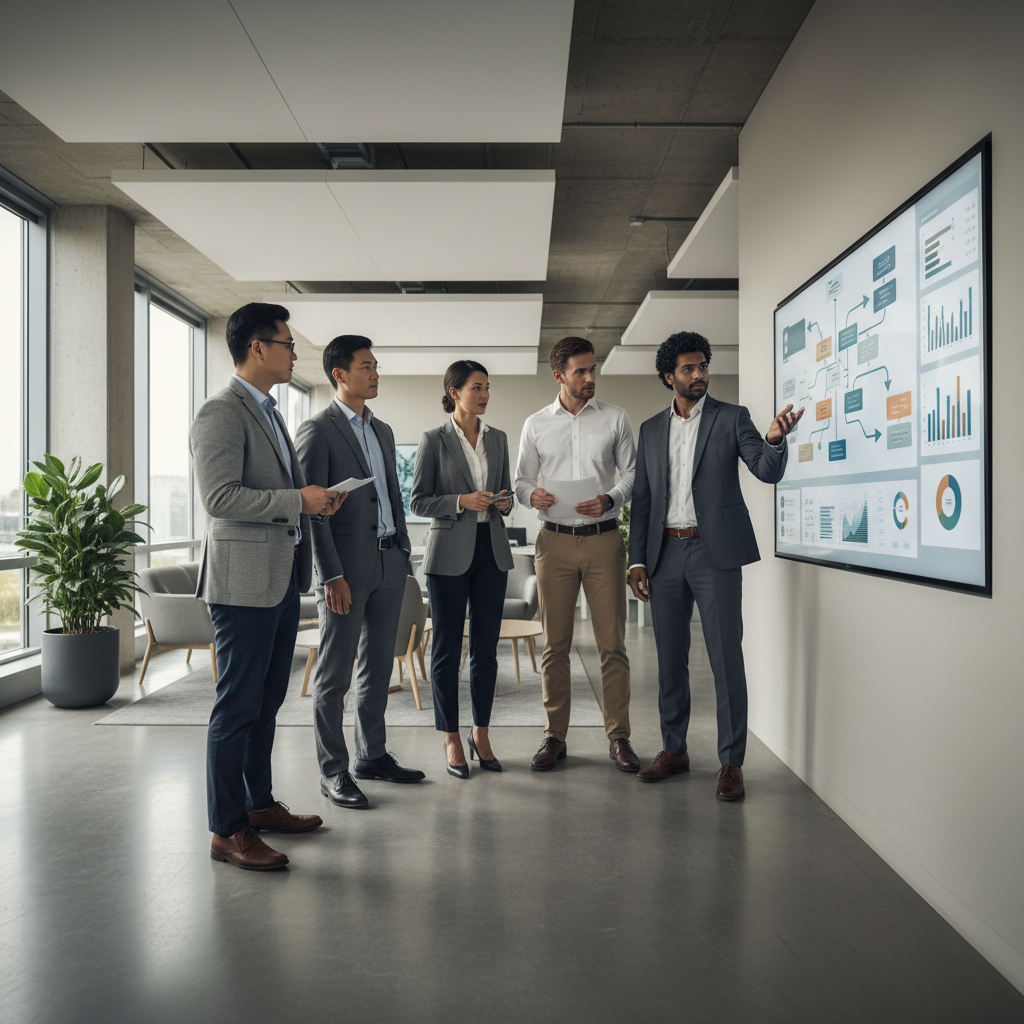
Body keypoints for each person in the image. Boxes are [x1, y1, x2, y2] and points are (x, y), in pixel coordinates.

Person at [191, 302, 345, 871]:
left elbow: (281, 493)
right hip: (241, 585)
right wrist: (296, 501)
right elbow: (219, 498)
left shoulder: (272, 414)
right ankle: (226, 830)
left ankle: (257, 807)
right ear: (258, 347)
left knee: (267, 702)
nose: (294, 353)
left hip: (279, 580)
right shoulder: (220, 412)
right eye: (286, 343)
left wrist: (316, 500)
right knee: (236, 708)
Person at [628, 332, 803, 799]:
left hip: (714, 553)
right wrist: (637, 560)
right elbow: (643, 500)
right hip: (664, 555)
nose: (700, 374)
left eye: (703, 366)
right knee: (669, 661)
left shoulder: (732, 418)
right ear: (670, 377)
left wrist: (774, 441)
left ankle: (731, 762)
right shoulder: (649, 430)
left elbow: (765, 470)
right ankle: (674, 750)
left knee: (726, 657)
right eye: (689, 368)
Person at [295, 335, 425, 810]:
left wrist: (404, 549)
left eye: (376, 365)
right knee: (334, 675)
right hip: (346, 571)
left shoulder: (383, 430)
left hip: (392, 561)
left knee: (378, 666)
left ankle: (372, 755)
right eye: (366, 365)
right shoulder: (318, 430)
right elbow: (314, 511)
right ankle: (333, 771)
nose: (375, 373)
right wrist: (330, 574)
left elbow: (390, 494)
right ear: (339, 374)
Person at [514, 336, 638, 772]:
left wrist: (610, 499)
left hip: (604, 540)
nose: (590, 378)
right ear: (559, 375)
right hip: (554, 542)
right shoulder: (536, 424)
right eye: (580, 371)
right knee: (555, 646)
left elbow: (633, 475)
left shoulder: (616, 418)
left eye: (592, 370)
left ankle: (619, 737)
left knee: (612, 646)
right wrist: (535, 497)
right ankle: (554, 736)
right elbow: (521, 483)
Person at [411, 360, 514, 778]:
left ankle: (481, 732)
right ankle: (451, 737)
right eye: (476, 387)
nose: (485, 394)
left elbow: (507, 493)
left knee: (487, 651)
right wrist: (460, 501)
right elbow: (417, 501)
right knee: (447, 651)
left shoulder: (500, 438)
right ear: (454, 392)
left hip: (492, 553)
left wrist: (505, 501)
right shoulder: (433, 439)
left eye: (488, 387)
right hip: (448, 556)